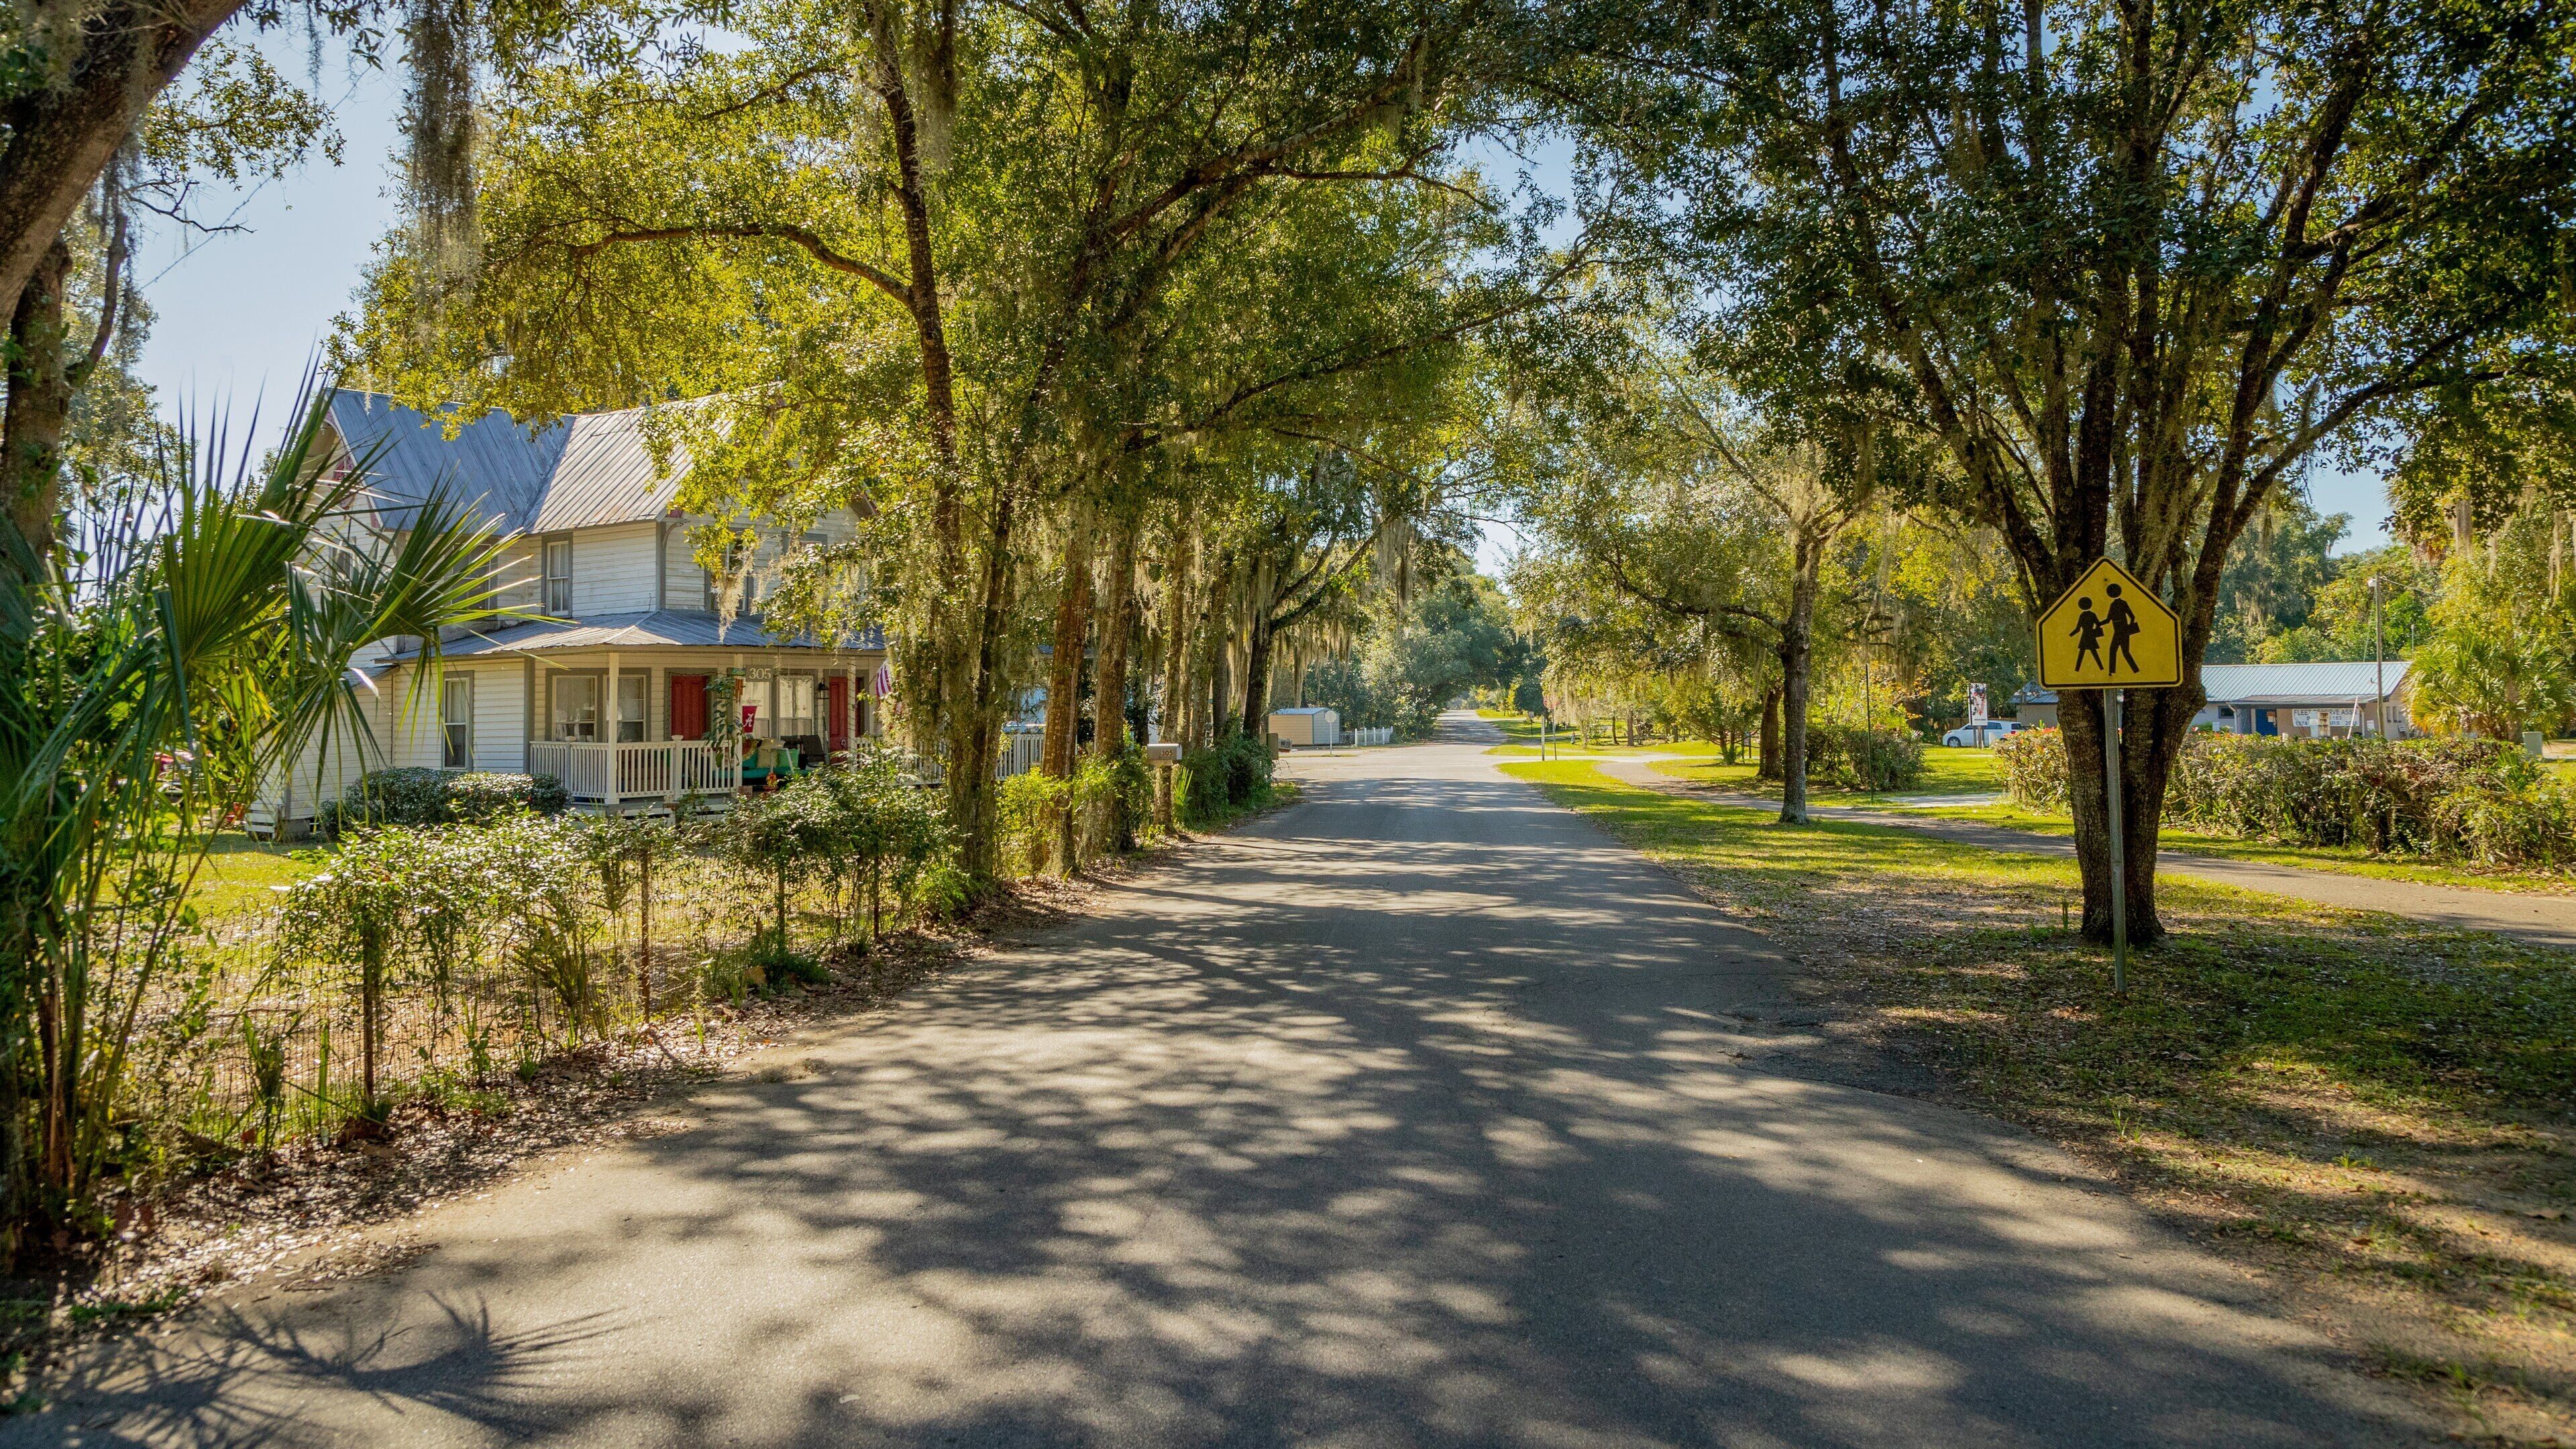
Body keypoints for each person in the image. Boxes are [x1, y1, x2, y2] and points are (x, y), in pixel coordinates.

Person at [2106, 583, 2141, 676]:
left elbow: (2132, 616)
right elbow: (2108, 619)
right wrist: (2098, 624)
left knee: (2124, 652)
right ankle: (2112, 672)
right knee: (2115, 650)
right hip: (2117, 632)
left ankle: (2136, 671)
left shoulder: (2123, 603)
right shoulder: (2112, 605)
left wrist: (2129, 628)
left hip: (2124, 631)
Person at [2069, 596, 2106, 674]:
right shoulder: (2093, 614)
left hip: (2085, 636)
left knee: (2082, 653)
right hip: (2091, 635)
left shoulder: (2082, 615)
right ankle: (2102, 669)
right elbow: (2098, 624)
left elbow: (2078, 629)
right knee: (2094, 653)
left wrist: (2070, 635)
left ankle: (2077, 670)